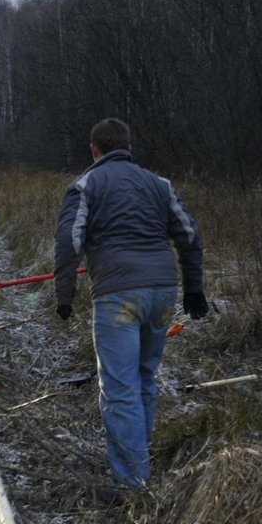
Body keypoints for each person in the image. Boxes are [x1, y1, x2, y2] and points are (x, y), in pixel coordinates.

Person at [53, 118, 208, 494]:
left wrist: (65, 294)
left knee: (119, 386)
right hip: (162, 295)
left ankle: (131, 483)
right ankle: (138, 463)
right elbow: (189, 236)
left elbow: (69, 241)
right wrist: (194, 290)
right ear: (129, 147)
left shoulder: (86, 184)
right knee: (143, 378)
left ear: (94, 150)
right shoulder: (160, 185)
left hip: (119, 296)